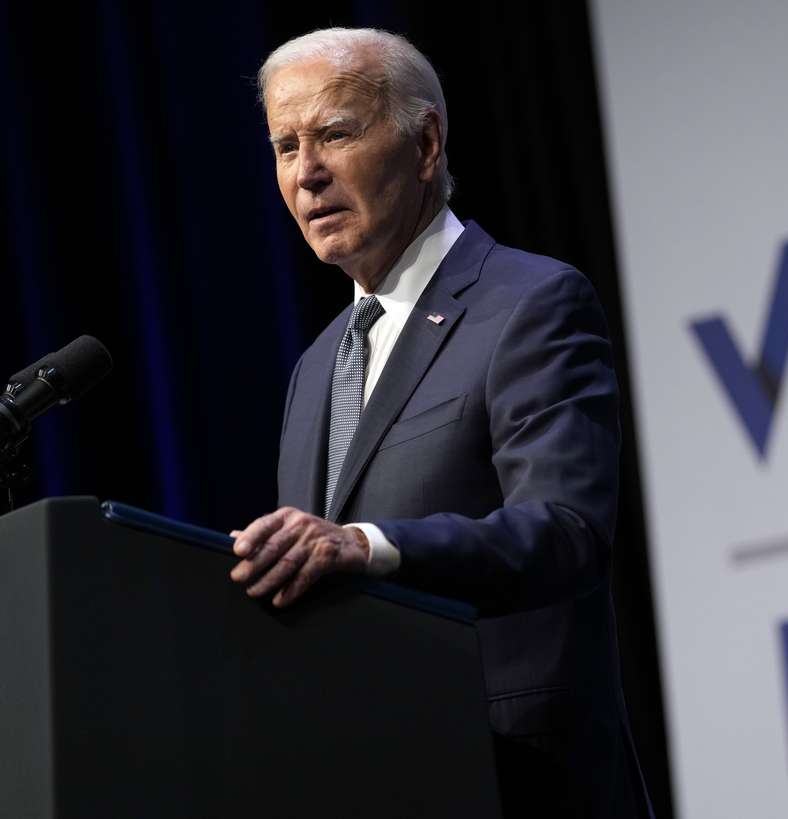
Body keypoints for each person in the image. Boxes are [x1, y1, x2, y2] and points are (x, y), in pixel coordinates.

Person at [227, 27, 651, 818]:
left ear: (426, 143)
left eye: (334, 134)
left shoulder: (530, 304)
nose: (306, 173)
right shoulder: (313, 370)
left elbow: (565, 531)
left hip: (519, 782)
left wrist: (368, 546)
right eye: (285, 146)